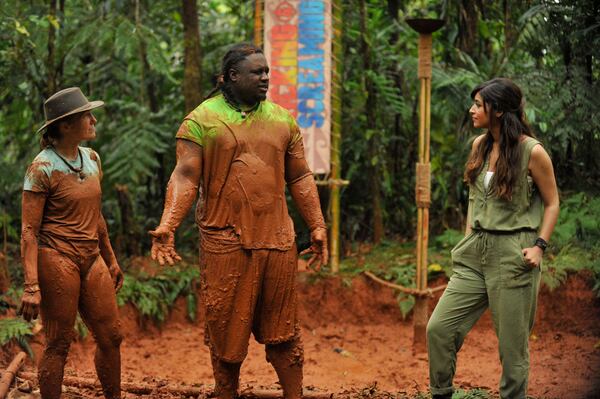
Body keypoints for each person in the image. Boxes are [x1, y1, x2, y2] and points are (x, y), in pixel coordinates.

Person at [149, 43, 328, 399]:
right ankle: (225, 392)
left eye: (266, 71)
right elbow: (185, 177)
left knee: (284, 333)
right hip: (225, 242)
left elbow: (300, 177)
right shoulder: (201, 120)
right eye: (257, 72)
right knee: (226, 335)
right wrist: (168, 226)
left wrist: (317, 225)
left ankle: (295, 395)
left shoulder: (282, 119)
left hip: (278, 240)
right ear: (232, 76)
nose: (265, 77)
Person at [426, 78, 560, 399]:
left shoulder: (532, 151)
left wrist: (539, 247)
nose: (472, 110)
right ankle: (440, 393)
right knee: (439, 330)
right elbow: (475, 199)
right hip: (475, 254)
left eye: (478, 104)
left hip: (513, 255)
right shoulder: (479, 146)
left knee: (512, 351)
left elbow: (553, 202)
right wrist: (468, 239)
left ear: (497, 110)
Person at [18, 87, 123, 399]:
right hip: (57, 256)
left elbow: (97, 215)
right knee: (59, 342)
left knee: (112, 336)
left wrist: (111, 257)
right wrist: (31, 285)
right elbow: (28, 231)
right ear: (65, 125)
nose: (93, 120)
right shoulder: (42, 167)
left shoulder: (91, 158)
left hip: (91, 256)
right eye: (86, 116)